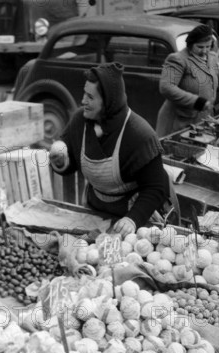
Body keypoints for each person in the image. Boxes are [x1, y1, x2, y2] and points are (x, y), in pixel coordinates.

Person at [49, 62, 177, 237]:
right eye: (84, 94)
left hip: (133, 216)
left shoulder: (139, 135)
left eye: (90, 97)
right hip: (95, 211)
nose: (83, 101)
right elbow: (71, 161)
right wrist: (61, 162)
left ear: (108, 101)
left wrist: (132, 219)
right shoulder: (80, 121)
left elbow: (155, 187)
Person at [156, 24, 219, 137]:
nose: (205, 51)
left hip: (202, 121)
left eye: (208, 47)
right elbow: (167, 87)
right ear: (190, 45)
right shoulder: (177, 59)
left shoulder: (211, 58)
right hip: (179, 122)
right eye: (200, 47)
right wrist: (197, 102)